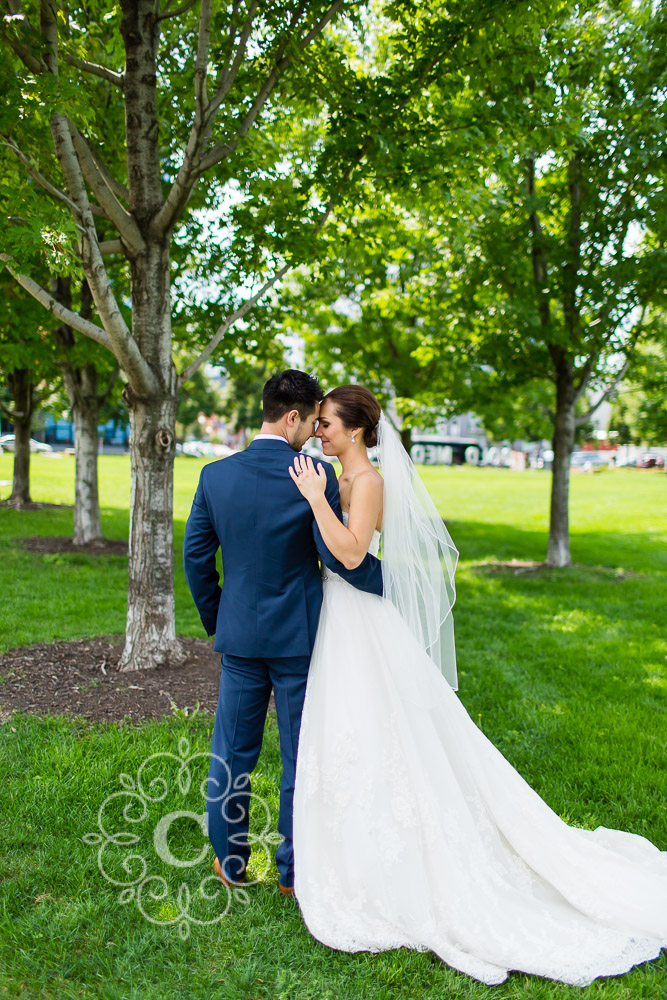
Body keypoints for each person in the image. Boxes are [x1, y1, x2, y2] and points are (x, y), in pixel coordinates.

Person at [289, 384, 667, 987]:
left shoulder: (368, 483)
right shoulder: (341, 479)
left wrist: (315, 501)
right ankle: (353, 858)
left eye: (328, 423)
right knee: (354, 733)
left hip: (360, 620)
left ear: (356, 431)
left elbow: (355, 554)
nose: (320, 431)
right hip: (343, 619)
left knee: (379, 730)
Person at [182, 371, 382, 895]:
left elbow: (196, 559)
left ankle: (230, 862)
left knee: (232, 753)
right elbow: (343, 560)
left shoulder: (215, 477)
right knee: (300, 756)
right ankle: (292, 874)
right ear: (291, 416)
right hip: (299, 637)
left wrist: (219, 618)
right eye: (312, 420)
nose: (315, 431)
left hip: (241, 637)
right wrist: (396, 583)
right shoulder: (311, 474)